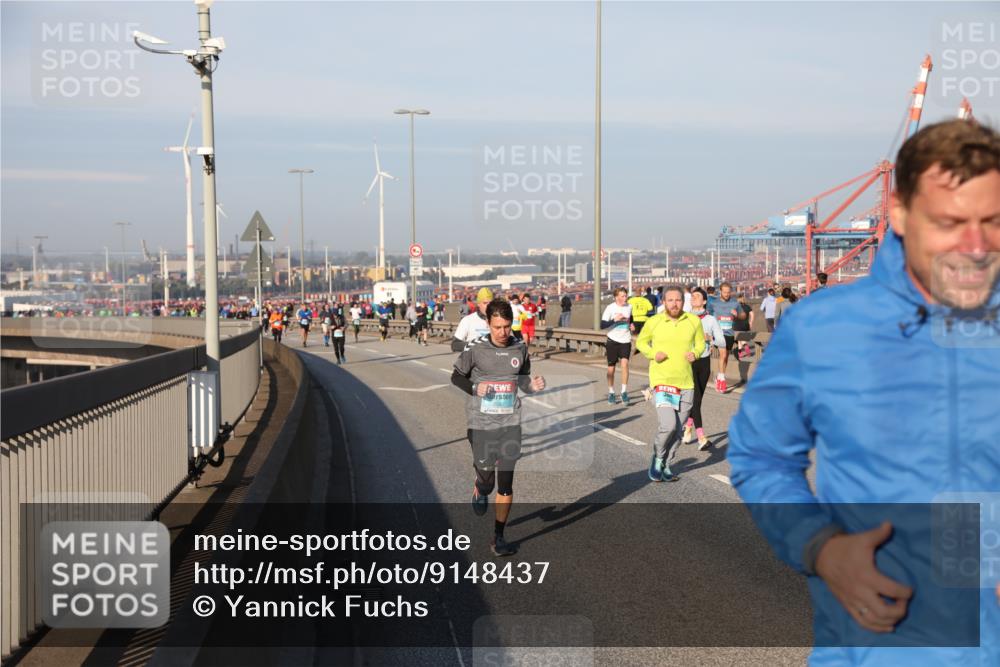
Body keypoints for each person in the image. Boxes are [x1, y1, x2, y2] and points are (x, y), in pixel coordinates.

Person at [728, 119, 1000, 665]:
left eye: (992, 221)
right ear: (898, 213)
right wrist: (821, 548)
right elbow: (759, 458)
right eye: (950, 222)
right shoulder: (821, 329)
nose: (975, 246)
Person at [451, 298, 546, 557]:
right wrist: (474, 387)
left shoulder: (519, 347)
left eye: (507, 326)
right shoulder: (475, 348)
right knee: (487, 481)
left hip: (510, 423)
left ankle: (498, 537)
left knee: (505, 484)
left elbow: (523, 381)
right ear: (488, 323)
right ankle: (480, 487)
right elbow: (456, 376)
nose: (504, 333)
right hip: (481, 424)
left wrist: (532, 385)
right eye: (498, 327)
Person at [635, 285, 704, 482]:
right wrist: (652, 354)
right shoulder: (654, 321)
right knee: (669, 425)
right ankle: (657, 457)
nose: (674, 304)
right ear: (663, 302)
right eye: (670, 300)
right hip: (662, 381)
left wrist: (696, 353)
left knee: (680, 429)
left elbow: (701, 343)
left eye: (678, 300)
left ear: (684, 302)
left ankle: (666, 463)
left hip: (685, 383)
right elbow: (641, 342)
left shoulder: (693, 321)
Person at [682, 288, 725, 450]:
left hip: (705, 362)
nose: (693, 297)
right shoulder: (685, 318)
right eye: (692, 296)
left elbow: (722, 342)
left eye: (697, 296)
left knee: (697, 400)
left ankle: (687, 427)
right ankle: (701, 437)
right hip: (689, 362)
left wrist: (711, 338)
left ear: (705, 301)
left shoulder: (711, 320)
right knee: (695, 400)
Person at [601, 287, 633, 405]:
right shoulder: (610, 308)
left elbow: (631, 318)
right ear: (616, 297)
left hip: (625, 340)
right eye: (622, 296)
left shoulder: (629, 307)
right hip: (612, 340)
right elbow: (602, 324)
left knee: (625, 364)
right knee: (611, 369)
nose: (625, 298)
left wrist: (632, 325)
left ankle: (624, 392)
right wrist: (615, 319)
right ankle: (611, 392)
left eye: (626, 296)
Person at [710, 282, 741, 393]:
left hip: (729, 333)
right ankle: (722, 380)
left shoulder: (735, 303)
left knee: (726, 356)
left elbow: (743, 315)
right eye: (724, 292)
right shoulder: (714, 303)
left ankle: (719, 376)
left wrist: (737, 315)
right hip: (718, 333)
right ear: (720, 291)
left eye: (728, 292)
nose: (727, 294)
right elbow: (708, 315)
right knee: (723, 354)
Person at [627, 288, 653, 355]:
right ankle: (641, 348)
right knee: (643, 335)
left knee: (635, 335)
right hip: (644, 319)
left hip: (635, 319)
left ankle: (636, 347)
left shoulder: (630, 300)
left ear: (635, 292)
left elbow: (627, 309)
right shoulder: (645, 300)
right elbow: (650, 308)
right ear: (641, 292)